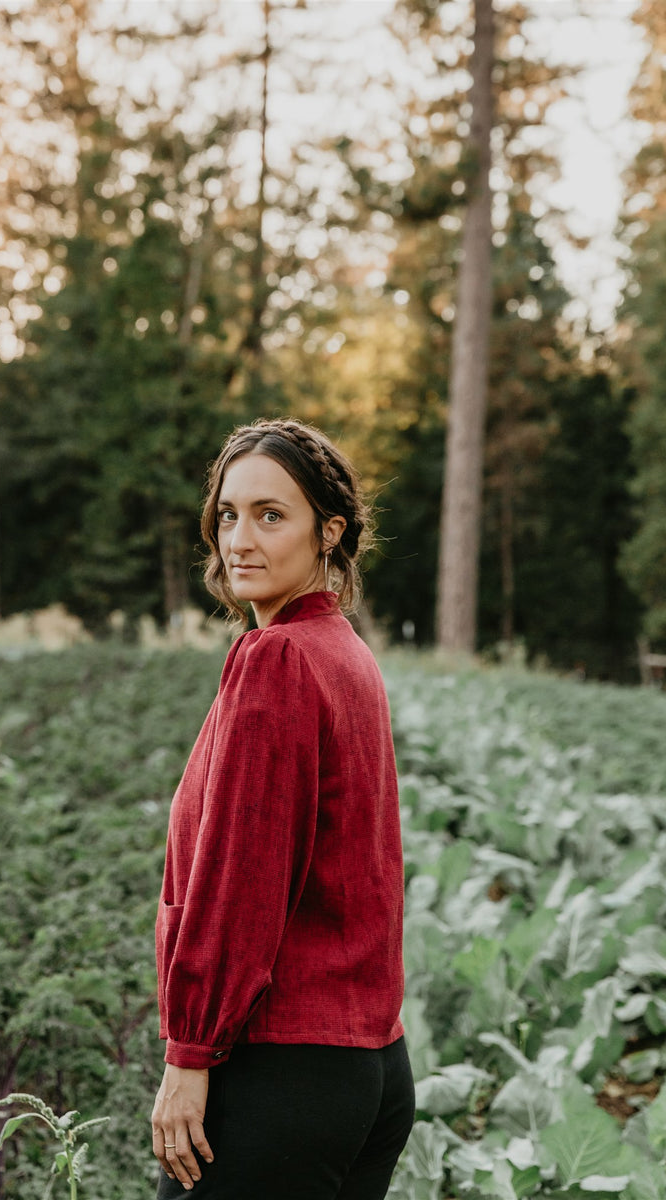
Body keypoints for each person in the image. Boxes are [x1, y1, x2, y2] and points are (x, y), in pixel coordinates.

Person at [151, 418, 414, 1199]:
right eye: (228, 514)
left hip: (281, 1073)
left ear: (328, 533)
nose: (241, 538)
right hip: (370, 1068)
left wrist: (188, 1055)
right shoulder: (345, 652)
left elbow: (242, 882)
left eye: (272, 515)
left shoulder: (281, 661)